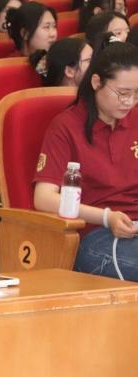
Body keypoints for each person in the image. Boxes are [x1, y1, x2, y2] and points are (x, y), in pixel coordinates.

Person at [33, 41, 138, 281]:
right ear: (96, 82)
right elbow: (44, 198)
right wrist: (106, 217)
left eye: (136, 94)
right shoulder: (66, 127)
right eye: (123, 93)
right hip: (97, 233)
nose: (130, 102)